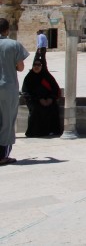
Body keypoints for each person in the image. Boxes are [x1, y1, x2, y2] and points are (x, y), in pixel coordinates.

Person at [0, 18, 30, 165]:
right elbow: (21, 67)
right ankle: (2, 155)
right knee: (7, 121)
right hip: (7, 87)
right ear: (6, 30)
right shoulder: (13, 44)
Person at [21, 54, 62, 137]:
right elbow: (26, 92)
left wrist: (50, 98)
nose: (36, 67)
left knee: (53, 107)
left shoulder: (47, 76)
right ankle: (35, 132)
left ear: (42, 66)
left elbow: (55, 88)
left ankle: (52, 130)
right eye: (34, 65)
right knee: (37, 109)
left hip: (48, 99)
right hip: (34, 100)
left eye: (39, 65)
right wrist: (39, 99)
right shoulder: (29, 77)